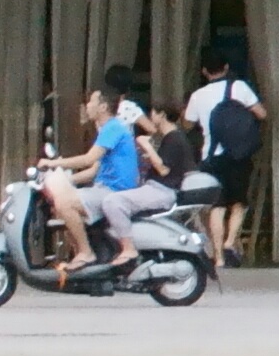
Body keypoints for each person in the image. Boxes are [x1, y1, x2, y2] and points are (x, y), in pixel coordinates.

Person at [40, 83, 172, 273]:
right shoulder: (108, 130)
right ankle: (81, 255)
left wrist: (52, 164)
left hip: (113, 191)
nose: (87, 105)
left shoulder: (113, 128)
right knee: (60, 202)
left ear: (103, 107)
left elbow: (88, 159)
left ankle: (86, 253)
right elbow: (94, 170)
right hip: (103, 188)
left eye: (91, 101)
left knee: (64, 203)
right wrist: (67, 180)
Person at [179, 54, 262, 266]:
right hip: (239, 154)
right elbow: (261, 113)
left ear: (204, 72)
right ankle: (230, 241)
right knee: (239, 202)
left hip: (211, 156)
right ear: (226, 67)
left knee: (217, 206)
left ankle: (218, 257)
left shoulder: (198, 95)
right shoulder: (240, 87)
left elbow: (187, 125)